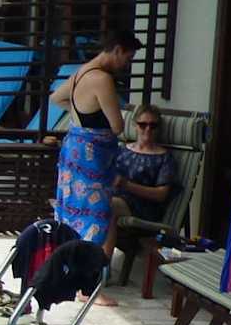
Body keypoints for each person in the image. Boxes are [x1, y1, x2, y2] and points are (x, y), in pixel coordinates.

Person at [49, 31, 138, 297]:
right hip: (92, 158)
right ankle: (86, 288)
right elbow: (117, 125)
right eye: (128, 58)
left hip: (74, 151)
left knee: (74, 214)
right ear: (117, 49)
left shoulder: (81, 72)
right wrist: (94, 119)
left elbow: (57, 98)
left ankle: (72, 276)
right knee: (95, 217)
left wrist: (80, 116)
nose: (127, 64)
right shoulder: (102, 78)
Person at [110, 105, 178, 239]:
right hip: (114, 196)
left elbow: (161, 194)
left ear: (158, 128)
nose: (148, 129)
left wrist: (126, 184)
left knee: (105, 205)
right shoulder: (122, 150)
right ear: (135, 126)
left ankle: (101, 251)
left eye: (153, 126)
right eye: (142, 125)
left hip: (141, 207)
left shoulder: (165, 158)